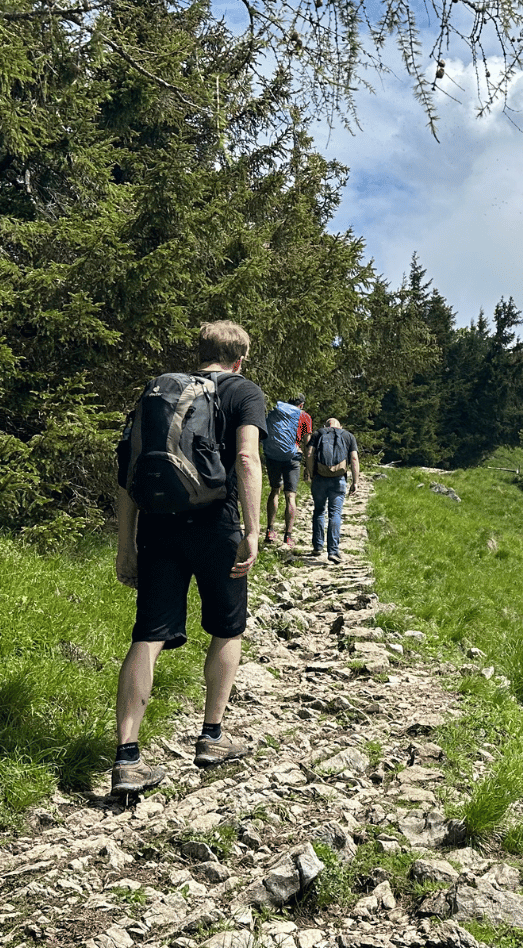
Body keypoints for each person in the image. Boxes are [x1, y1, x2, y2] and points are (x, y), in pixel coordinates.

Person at [110, 320, 266, 795]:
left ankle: (126, 757)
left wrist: (125, 543)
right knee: (226, 626)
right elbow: (246, 460)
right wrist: (255, 529)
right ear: (239, 359)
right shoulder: (244, 391)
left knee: (149, 634)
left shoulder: (160, 392)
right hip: (215, 524)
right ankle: (212, 737)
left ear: (199, 351)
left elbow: (128, 468)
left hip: (158, 524)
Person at [306, 417, 360, 564]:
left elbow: (310, 453)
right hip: (339, 479)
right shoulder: (348, 436)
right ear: (340, 426)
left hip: (319, 477)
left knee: (318, 511)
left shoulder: (318, 434)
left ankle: (317, 546)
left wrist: (311, 473)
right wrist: (355, 482)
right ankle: (333, 551)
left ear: (326, 425)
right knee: (335, 513)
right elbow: (354, 459)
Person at [261, 395, 313, 547]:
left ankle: (270, 530)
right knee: (291, 496)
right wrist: (308, 467)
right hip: (293, 458)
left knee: (275, 490)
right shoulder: (304, 417)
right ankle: (288, 536)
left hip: (272, 456)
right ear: (301, 405)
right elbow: (307, 444)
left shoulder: (275, 411)